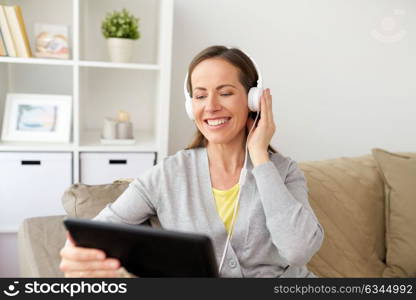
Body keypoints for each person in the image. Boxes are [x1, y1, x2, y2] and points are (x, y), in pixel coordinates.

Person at [59, 45, 324, 278]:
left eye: (226, 93)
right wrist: (75, 251)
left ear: (252, 100)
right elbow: (96, 232)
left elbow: (297, 250)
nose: (210, 106)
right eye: (200, 95)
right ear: (191, 106)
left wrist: (259, 156)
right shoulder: (168, 175)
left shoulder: (283, 171)